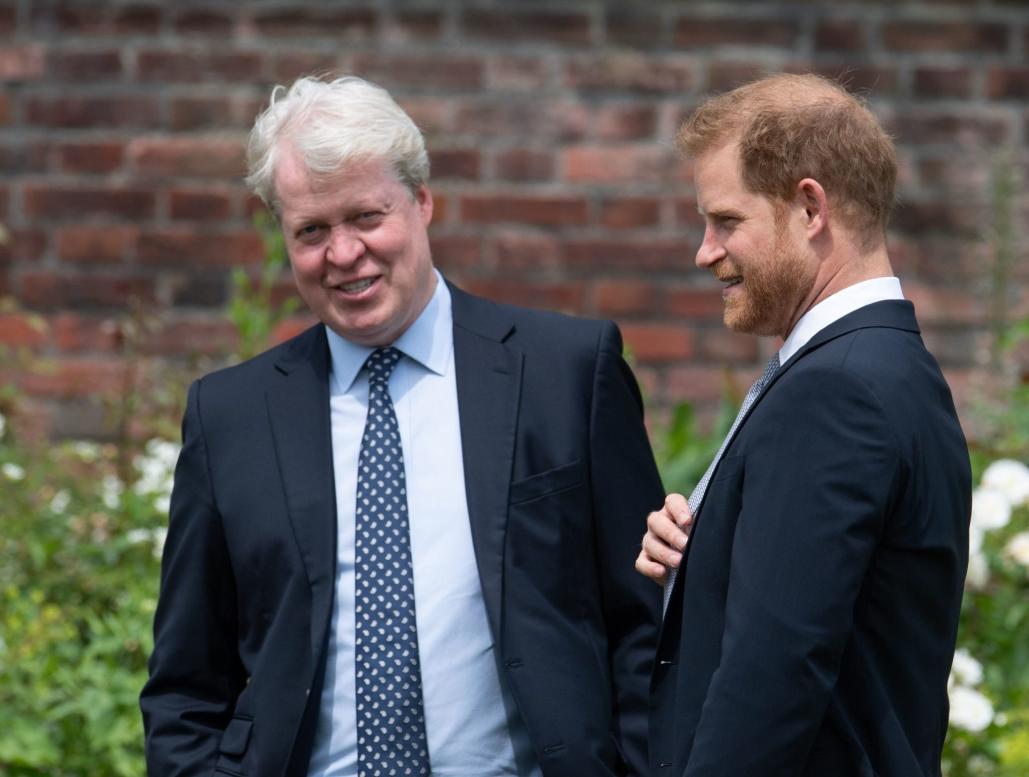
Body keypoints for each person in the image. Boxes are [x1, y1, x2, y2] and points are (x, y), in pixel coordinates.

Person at [140, 75, 664, 777]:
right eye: (311, 230)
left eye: (365, 216)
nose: (344, 253)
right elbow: (185, 684)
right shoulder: (229, 415)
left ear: (421, 200)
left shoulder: (564, 374)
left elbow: (644, 626)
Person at [634, 73, 972, 776]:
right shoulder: (890, 369)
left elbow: (772, 675)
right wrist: (695, 556)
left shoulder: (834, 391)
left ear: (809, 207)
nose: (704, 251)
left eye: (726, 221)